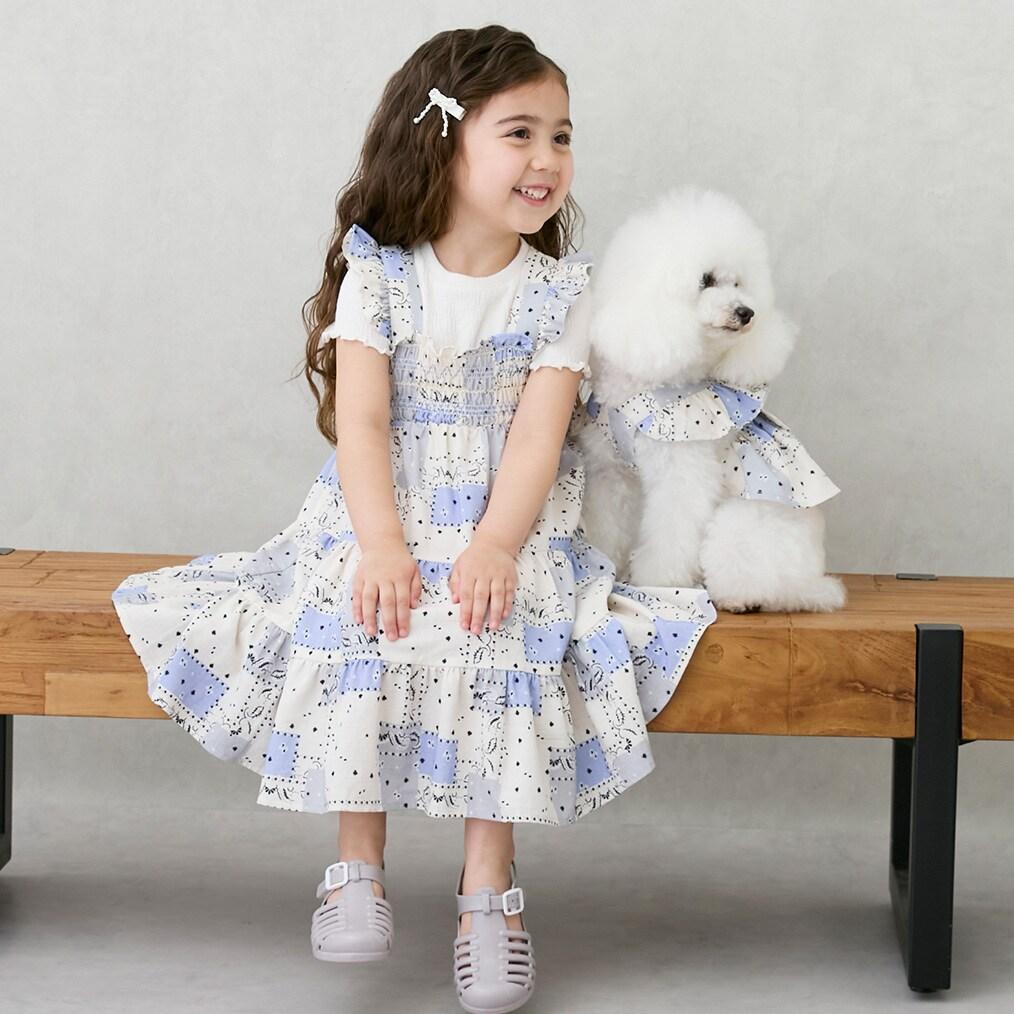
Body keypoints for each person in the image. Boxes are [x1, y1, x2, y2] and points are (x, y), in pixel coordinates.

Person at [111, 24, 717, 1014]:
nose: (547, 158)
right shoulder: (382, 276)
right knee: (366, 621)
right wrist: (383, 544)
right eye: (519, 133)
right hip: (379, 510)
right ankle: (356, 868)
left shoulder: (559, 292)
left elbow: (538, 438)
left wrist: (497, 546)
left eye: (562, 136)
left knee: (500, 632)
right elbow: (361, 422)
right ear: (443, 140)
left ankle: (489, 896)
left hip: (508, 519)